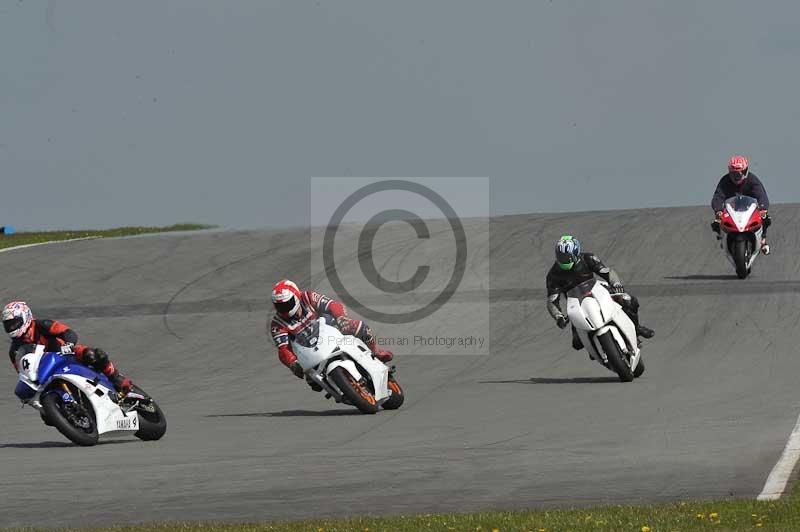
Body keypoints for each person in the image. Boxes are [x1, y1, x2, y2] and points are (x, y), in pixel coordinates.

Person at [269, 280, 393, 386]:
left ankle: (376, 351)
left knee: (359, 327)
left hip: (330, 331)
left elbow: (333, 304)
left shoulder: (308, 297)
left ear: (296, 296)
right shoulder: (277, 324)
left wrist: (341, 318)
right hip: (309, 351)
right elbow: (283, 349)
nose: (284, 308)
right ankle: (337, 388)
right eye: (280, 306)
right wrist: (292, 363)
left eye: (287, 304)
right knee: (313, 382)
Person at [546, 236, 654, 351]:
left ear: (576, 252)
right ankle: (594, 349)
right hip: (576, 303)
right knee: (577, 343)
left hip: (598, 289)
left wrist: (616, 284)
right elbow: (552, 300)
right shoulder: (553, 275)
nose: (564, 259)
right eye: (561, 256)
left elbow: (607, 272)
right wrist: (558, 317)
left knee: (629, 300)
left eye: (567, 257)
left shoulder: (588, 258)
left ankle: (636, 329)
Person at [3, 301, 132, 395]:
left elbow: (68, 332)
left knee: (92, 354)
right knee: (47, 416)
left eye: (14, 323)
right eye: (8, 325)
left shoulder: (42, 325)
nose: (12, 327)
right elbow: (22, 372)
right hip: (46, 373)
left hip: (65, 355)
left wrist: (68, 345)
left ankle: (115, 377)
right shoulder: (14, 350)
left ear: (25, 317)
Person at [711, 155, 772, 254]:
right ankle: (723, 238)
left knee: (766, 218)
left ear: (745, 171)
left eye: (740, 173)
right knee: (716, 223)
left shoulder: (752, 180)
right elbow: (718, 196)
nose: (737, 176)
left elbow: (761, 195)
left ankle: (763, 239)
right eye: (734, 174)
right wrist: (718, 210)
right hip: (731, 210)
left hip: (750, 210)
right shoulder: (725, 181)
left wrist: (763, 208)